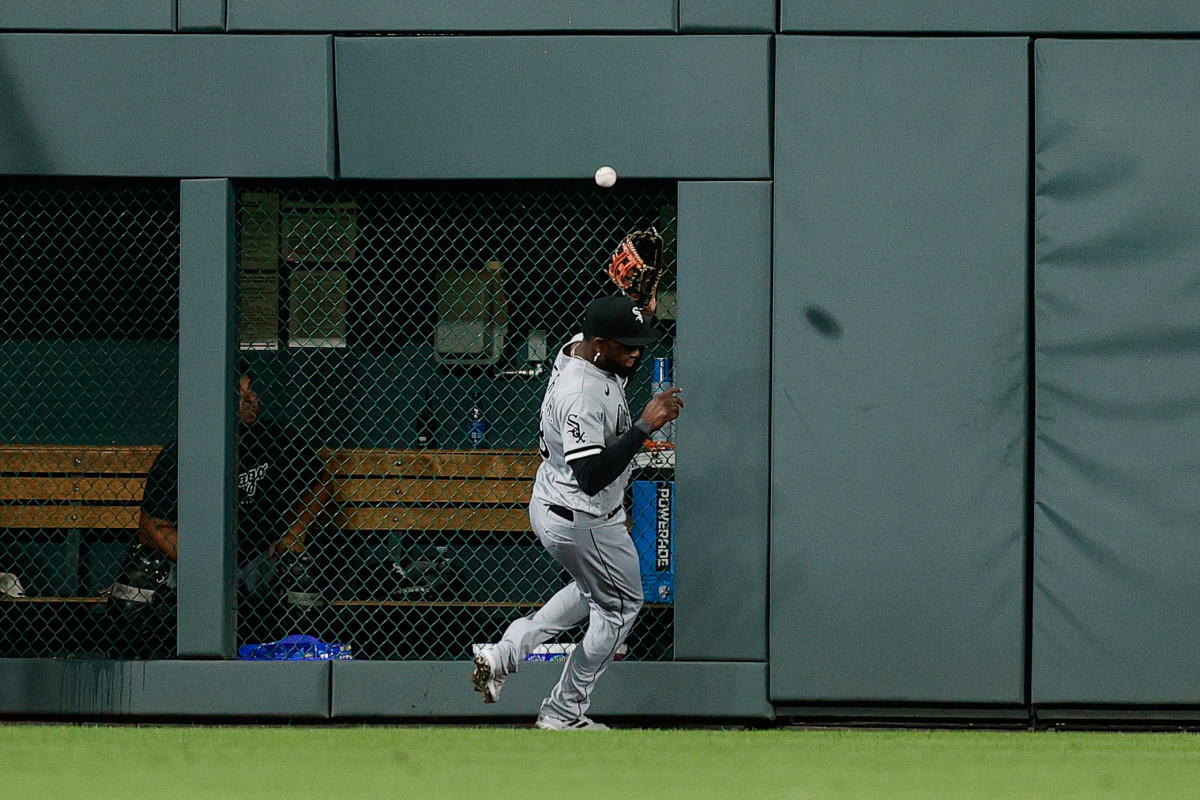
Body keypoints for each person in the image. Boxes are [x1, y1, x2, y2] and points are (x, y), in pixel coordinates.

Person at [471, 295, 684, 730]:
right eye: (627, 346)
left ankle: (503, 654)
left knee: (594, 591)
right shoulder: (581, 394)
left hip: (553, 501)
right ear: (601, 344)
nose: (637, 353)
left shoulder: (580, 346)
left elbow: (620, 339)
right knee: (622, 606)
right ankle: (564, 712)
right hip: (582, 514)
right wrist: (645, 425)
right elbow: (590, 474)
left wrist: (640, 304)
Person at [104, 366, 333, 658]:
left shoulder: (275, 438)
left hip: (258, 559)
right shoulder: (185, 450)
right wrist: (208, 564)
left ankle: (299, 665)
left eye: (251, 390)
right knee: (142, 568)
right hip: (196, 561)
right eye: (240, 394)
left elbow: (320, 481)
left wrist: (295, 533)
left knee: (299, 566)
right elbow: (151, 527)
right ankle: (132, 675)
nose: (252, 398)